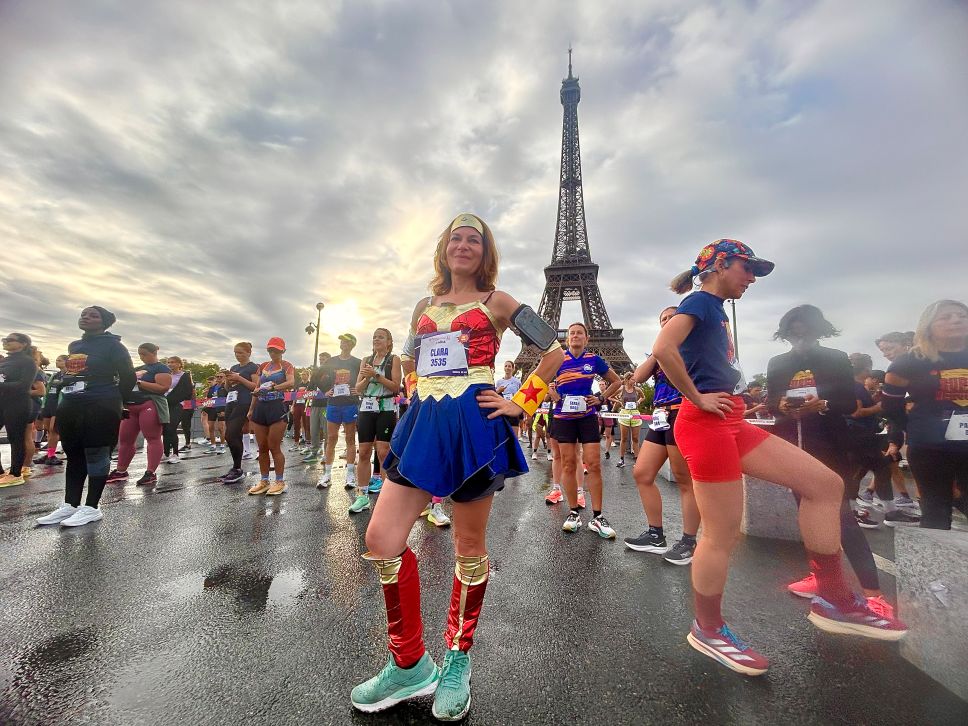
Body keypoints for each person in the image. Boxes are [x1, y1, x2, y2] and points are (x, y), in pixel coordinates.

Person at [654, 239, 904, 676]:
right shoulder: (701, 301)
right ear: (718, 265)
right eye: (747, 269)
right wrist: (694, 396)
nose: (751, 278)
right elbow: (662, 349)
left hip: (729, 419)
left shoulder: (713, 306)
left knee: (825, 486)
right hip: (705, 422)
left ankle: (833, 597)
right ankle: (708, 629)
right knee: (721, 534)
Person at [350, 213, 563, 720]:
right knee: (381, 538)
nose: (464, 245)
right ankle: (408, 664)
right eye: (456, 238)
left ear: (485, 253)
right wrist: (410, 392)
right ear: (443, 248)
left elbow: (552, 351)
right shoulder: (424, 305)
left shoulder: (500, 302)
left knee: (469, 548)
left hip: (473, 424)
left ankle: (456, 660)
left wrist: (523, 401)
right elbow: (409, 359)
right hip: (424, 421)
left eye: (475, 240)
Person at [766, 305, 896, 614]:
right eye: (794, 330)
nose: (800, 336)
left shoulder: (835, 358)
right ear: (786, 333)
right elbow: (771, 402)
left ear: (818, 330)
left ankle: (873, 592)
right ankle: (821, 575)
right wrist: (782, 405)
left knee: (841, 515)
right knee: (808, 514)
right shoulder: (778, 362)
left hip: (829, 444)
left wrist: (821, 403)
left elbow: (847, 403)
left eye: (805, 329)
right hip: (792, 444)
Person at [36, 306, 135, 526]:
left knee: (97, 453)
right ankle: (70, 505)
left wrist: (115, 399)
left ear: (105, 322)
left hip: (101, 404)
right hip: (71, 404)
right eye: (84, 314)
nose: (86, 317)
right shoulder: (75, 345)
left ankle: (91, 507)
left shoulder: (114, 346)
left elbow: (128, 377)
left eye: (93, 315)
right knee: (74, 453)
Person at [625, 306, 701, 565]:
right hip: (660, 415)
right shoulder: (661, 350)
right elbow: (638, 377)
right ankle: (656, 535)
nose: (667, 322)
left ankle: (689, 541)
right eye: (663, 320)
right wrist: (660, 348)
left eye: (672, 317)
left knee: (683, 479)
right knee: (642, 473)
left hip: (683, 412)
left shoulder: (695, 348)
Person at [883, 300, 968, 529]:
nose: (956, 320)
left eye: (961, 315)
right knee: (936, 512)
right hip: (931, 448)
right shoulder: (909, 362)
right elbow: (891, 406)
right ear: (928, 325)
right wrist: (914, 428)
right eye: (946, 317)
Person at [548, 322, 621, 536]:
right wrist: (552, 392)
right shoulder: (558, 359)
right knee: (569, 464)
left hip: (587, 417)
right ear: (567, 338)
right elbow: (540, 379)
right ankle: (573, 512)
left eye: (580, 333)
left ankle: (597, 516)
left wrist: (600, 398)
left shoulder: (593, 360)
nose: (575, 336)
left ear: (586, 338)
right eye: (572, 333)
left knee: (594, 464)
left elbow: (615, 382)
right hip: (564, 418)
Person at [845, 353, 919, 526]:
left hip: (858, 436)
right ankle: (875, 512)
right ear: (866, 368)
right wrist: (878, 407)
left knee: (862, 471)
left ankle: (857, 509)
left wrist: (874, 403)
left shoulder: (854, 386)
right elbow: (855, 412)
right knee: (874, 470)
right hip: (859, 436)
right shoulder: (855, 387)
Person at [349, 328, 402, 513]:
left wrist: (376, 376)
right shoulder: (366, 360)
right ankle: (362, 496)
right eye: (374, 337)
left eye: (381, 337)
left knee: (383, 452)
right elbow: (358, 387)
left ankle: (387, 498)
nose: (376, 339)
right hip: (366, 407)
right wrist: (366, 379)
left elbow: (396, 386)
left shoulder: (394, 359)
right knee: (363, 452)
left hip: (386, 407)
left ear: (389, 341)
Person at [107, 343, 171, 487]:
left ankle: (150, 472)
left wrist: (139, 382)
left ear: (153, 353)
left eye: (144, 354)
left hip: (149, 404)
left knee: (152, 438)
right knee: (125, 439)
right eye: (139, 354)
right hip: (131, 406)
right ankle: (121, 471)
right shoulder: (138, 369)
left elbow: (163, 388)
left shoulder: (161, 368)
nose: (141, 357)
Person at [246, 338, 295, 496]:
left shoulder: (287, 365)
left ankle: (279, 480)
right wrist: (251, 408)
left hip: (277, 407)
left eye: (277, 350)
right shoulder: (263, 366)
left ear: (283, 351)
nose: (273, 353)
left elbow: (291, 382)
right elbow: (258, 387)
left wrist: (274, 387)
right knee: (262, 448)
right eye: (271, 350)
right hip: (261, 407)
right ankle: (264, 480)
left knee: (274, 446)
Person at [318, 334, 362, 488]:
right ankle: (327, 474)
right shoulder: (331, 361)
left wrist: (359, 390)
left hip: (350, 403)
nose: (343, 343)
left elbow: (365, 378)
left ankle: (350, 475)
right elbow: (316, 376)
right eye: (341, 340)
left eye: (346, 341)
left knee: (350, 438)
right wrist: (325, 390)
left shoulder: (357, 362)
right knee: (331, 438)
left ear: (352, 344)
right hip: (334, 403)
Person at [0, 333, 39, 487]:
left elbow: (24, 386)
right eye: (4, 340)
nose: (6, 342)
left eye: (10, 340)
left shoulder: (28, 362)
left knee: (15, 438)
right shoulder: (5, 361)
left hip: (18, 404)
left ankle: (16, 473)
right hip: (2, 402)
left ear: (23, 344)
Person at [219, 342, 260, 484]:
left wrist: (239, 378)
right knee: (229, 435)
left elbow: (256, 387)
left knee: (232, 433)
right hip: (231, 401)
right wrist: (227, 379)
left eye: (241, 353)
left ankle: (238, 469)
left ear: (249, 353)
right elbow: (228, 387)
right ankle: (236, 467)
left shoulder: (253, 367)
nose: (238, 355)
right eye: (236, 352)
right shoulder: (234, 368)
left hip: (244, 401)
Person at [35, 354, 68, 466]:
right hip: (49, 404)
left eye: (60, 360)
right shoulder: (55, 375)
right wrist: (44, 405)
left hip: (59, 406)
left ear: (66, 362)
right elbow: (47, 390)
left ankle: (52, 455)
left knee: (54, 430)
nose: (57, 362)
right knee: (48, 430)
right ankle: (49, 453)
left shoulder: (68, 376)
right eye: (57, 360)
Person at [163, 356, 194, 463]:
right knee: (165, 428)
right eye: (168, 362)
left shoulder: (184, 375)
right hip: (164, 404)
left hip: (177, 404)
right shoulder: (166, 375)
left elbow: (188, 391)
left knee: (172, 427)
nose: (170, 364)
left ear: (179, 364)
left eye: (173, 362)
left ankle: (175, 454)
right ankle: (165, 451)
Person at [304, 352, 331, 466]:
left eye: (323, 359)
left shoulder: (331, 373)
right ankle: (314, 452)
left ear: (329, 360)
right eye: (320, 359)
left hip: (326, 406)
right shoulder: (315, 374)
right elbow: (309, 390)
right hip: (314, 405)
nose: (321, 361)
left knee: (326, 431)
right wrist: (309, 394)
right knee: (313, 429)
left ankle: (326, 454)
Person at [614, 372, 644, 468]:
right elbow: (611, 396)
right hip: (624, 413)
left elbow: (643, 397)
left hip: (635, 413)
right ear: (627, 379)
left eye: (635, 379)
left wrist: (638, 402)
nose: (634, 381)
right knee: (624, 438)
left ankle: (637, 460)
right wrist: (619, 401)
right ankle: (621, 459)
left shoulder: (637, 389)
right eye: (632, 379)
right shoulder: (621, 389)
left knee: (635, 438)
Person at [495, 361, 523, 438]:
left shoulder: (517, 382)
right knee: (503, 436)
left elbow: (521, 396)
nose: (507, 368)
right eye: (506, 366)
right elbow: (495, 396)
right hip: (502, 410)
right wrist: (498, 391)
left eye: (509, 366)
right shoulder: (499, 382)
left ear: (513, 369)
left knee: (514, 437)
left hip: (513, 409)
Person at [204, 372, 227, 454]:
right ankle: (213, 445)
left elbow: (228, 398)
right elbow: (209, 398)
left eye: (221, 377)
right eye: (217, 376)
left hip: (221, 408)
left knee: (221, 428)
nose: (219, 378)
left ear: (224, 378)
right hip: (212, 409)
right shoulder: (212, 388)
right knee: (211, 427)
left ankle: (222, 445)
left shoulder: (226, 387)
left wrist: (224, 410)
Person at [289, 369, 310, 451]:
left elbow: (312, 395)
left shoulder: (310, 384)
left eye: (305, 374)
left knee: (307, 424)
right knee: (296, 424)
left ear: (308, 375)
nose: (303, 376)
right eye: (302, 374)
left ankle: (307, 443)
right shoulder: (298, 384)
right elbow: (294, 396)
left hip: (307, 406)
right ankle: (296, 443)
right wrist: (292, 406)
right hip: (297, 405)